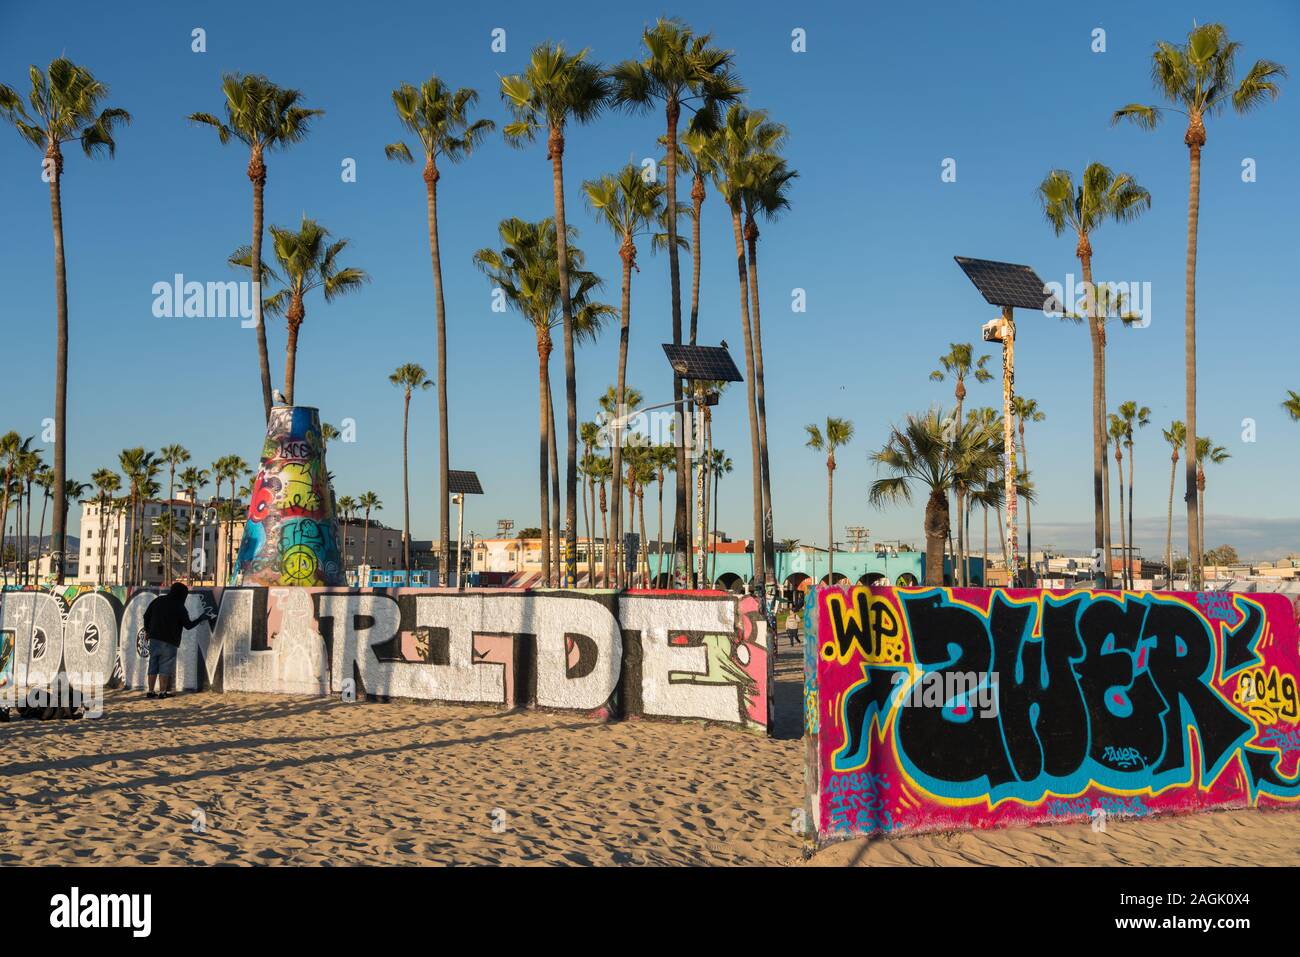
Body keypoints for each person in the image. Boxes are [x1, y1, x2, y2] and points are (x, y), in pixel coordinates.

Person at [142, 582, 212, 699]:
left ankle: (150, 691)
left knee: (153, 664)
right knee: (165, 667)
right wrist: (200, 618)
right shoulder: (180, 606)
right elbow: (188, 625)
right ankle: (162, 692)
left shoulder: (158, 601)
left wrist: (148, 631)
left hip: (154, 638)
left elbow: (146, 616)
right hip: (170, 641)